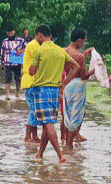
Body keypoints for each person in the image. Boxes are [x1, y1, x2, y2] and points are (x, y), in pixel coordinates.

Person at [30, 25, 80, 162]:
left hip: (41, 90)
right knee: (48, 124)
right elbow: (76, 66)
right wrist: (64, 83)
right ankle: (40, 154)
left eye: (36, 36)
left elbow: (31, 71)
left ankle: (60, 155)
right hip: (55, 91)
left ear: (40, 35)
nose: (36, 39)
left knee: (49, 124)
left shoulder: (38, 51)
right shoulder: (60, 50)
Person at [62, 28, 95, 150]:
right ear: (79, 41)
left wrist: (84, 54)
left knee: (68, 114)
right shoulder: (79, 56)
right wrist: (96, 70)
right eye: (83, 41)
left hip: (67, 85)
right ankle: (69, 147)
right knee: (75, 116)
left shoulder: (64, 51)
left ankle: (66, 143)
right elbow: (83, 75)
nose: (84, 44)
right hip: (77, 85)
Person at [21, 35, 42, 143]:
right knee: (34, 110)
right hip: (31, 82)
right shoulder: (34, 46)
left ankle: (34, 136)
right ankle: (27, 136)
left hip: (32, 82)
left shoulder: (34, 45)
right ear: (39, 35)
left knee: (34, 110)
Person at [0, 26, 26, 100]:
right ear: (7, 33)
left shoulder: (21, 40)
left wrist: (21, 51)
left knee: (17, 78)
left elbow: (27, 47)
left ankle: (17, 93)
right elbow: (2, 52)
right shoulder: (5, 41)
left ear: (14, 32)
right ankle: (8, 95)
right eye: (9, 33)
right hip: (7, 63)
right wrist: (1, 63)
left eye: (11, 33)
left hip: (17, 63)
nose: (10, 34)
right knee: (8, 78)